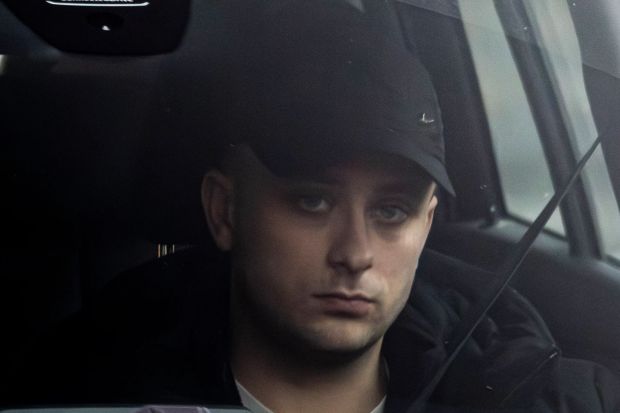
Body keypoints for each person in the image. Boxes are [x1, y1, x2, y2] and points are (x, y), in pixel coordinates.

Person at [4, 0, 620, 412]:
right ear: (224, 210)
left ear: (428, 224)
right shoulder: (76, 393)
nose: (354, 254)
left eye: (391, 212)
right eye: (311, 199)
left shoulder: (535, 395)